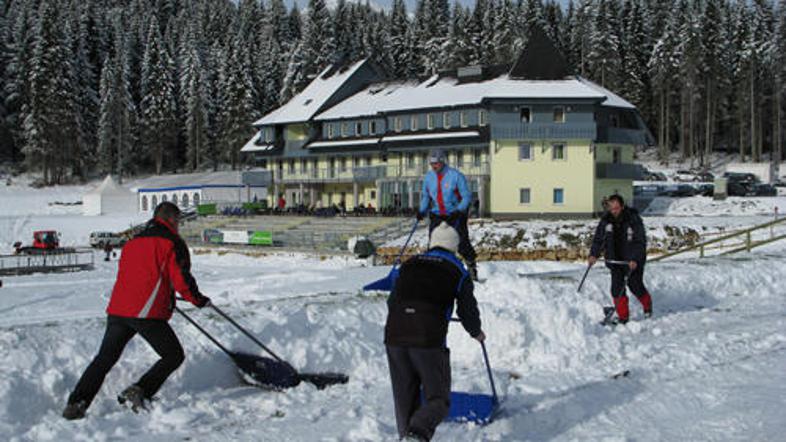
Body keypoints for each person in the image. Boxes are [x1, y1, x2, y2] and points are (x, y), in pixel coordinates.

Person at [62, 202, 210, 420]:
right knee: (173, 355)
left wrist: (165, 293)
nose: (179, 226)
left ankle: (76, 403)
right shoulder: (172, 242)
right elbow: (182, 280)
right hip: (146, 312)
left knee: (104, 359)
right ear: (171, 220)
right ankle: (138, 391)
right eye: (178, 221)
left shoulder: (133, 241)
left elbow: (138, 274)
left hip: (119, 309)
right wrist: (198, 300)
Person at [384, 222, 485, 441]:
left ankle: (407, 437)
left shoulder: (409, 264)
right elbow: (467, 309)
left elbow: (392, 301)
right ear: (454, 247)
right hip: (427, 335)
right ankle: (418, 433)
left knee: (405, 397)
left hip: (394, 333)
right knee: (438, 399)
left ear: (432, 244)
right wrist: (475, 332)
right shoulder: (458, 270)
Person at [588, 194, 652, 324]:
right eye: (611, 208)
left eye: (616, 208)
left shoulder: (633, 219)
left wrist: (635, 259)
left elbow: (640, 241)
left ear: (622, 206)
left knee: (635, 286)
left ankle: (647, 306)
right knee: (616, 289)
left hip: (632, 260)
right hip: (615, 260)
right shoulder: (606, 221)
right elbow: (599, 239)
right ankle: (623, 317)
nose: (614, 211)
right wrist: (594, 254)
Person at [417, 149, 479, 281]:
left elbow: (466, 197)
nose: (434, 166)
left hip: (455, 213)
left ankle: (471, 266)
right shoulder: (429, 177)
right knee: (434, 243)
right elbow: (426, 197)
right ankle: (435, 272)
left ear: (442, 162)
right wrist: (421, 211)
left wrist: (459, 210)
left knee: (461, 242)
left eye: (436, 163)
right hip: (437, 213)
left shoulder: (455, 176)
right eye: (432, 164)